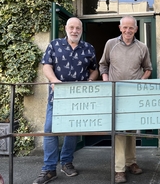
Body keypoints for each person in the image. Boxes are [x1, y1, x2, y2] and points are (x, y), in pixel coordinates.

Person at [33, 17, 99, 184]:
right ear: (66, 28)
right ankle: (49, 169)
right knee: (49, 130)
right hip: (57, 97)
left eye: (78, 28)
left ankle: (67, 163)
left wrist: (90, 82)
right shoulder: (54, 45)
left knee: (72, 131)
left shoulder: (88, 48)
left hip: (78, 98)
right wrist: (54, 80)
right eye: (72, 27)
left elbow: (94, 70)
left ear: (81, 30)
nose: (74, 30)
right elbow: (46, 65)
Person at [99, 15, 152, 183]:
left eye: (131, 28)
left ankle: (131, 162)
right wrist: (107, 82)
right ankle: (119, 169)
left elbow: (148, 69)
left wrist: (140, 84)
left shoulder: (142, 47)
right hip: (116, 94)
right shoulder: (110, 44)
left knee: (131, 130)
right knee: (120, 132)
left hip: (134, 95)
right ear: (119, 28)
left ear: (136, 29)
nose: (128, 30)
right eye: (125, 27)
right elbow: (103, 65)